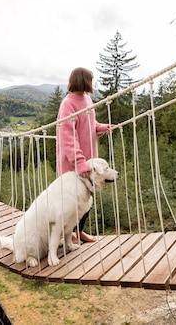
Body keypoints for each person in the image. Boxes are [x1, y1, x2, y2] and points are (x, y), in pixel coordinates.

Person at [56, 67, 113, 244]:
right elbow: (68, 136)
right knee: (71, 201)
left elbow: (90, 123)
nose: (92, 83)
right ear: (84, 81)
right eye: (91, 79)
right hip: (73, 163)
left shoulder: (87, 99)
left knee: (87, 198)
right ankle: (68, 233)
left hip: (89, 162)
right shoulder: (68, 104)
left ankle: (79, 231)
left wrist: (101, 127)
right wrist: (80, 163)